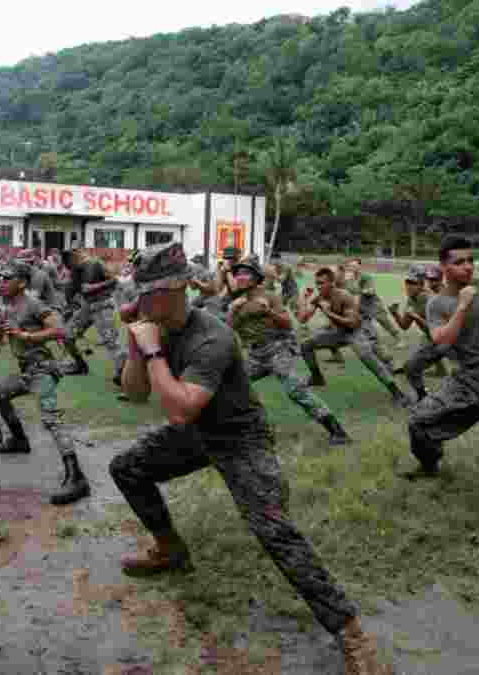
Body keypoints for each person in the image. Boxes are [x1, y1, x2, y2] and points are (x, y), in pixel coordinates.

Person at [108, 242, 383, 674]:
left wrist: (156, 352)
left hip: (240, 438)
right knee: (126, 467)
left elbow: (179, 407)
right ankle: (170, 549)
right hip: (197, 433)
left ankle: (350, 631)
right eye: (136, 292)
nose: (137, 301)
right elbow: (137, 392)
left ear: (177, 287)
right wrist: (137, 343)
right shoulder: (154, 323)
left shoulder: (211, 336)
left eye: (147, 291)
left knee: (274, 530)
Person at [404, 236, 479, 480]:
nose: (468, 266)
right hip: (469, 377)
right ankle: (429, 467)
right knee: (419, 423)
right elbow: (443, 341)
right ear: (443, 267)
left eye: (470, 260)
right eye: (459, 262)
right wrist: (462, 306)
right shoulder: (437, 304)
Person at [0, 260, 90, 505]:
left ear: (21, 282)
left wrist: (26, 335)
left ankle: (78, 478)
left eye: (7, 278)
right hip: (27, 372)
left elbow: (60, 331)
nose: (2, 282)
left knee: (51, 419)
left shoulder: (33, 303)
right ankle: (19, 440)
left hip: (43, 369)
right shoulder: (7, 306)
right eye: (0, 278)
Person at [227, 261, 351, 445]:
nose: (240, 277)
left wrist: (268, 312)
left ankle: (338, 432)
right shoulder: (237, 301)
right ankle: (259, 429)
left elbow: (287, 323)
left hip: (278, 349)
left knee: (296, 391)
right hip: (255, 354)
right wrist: (233, 310)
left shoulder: (269, 297)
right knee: (231, 387)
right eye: (238, 274)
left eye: (245, 273)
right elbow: (231, 328)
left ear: (255, 278)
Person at [297, 268, 412, 408]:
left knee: (367, 357)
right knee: (305, 345)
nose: (318, 286)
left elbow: (353, 323)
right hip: (337, 332)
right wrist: (303, 299)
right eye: (317, 283)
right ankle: (317, 377)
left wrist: (328, 312)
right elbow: (302, 319)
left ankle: (398, 393)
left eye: (321, 283)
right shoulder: (319, 298)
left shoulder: (344, 296)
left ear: (331, 283)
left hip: (355, 331)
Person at [62, 248, 126, 384]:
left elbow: (115, 282)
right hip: (86, 306)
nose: (69, 267)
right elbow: (72, 289)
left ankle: (124, 374)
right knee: (67, 335)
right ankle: (80, 365)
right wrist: (68, 308)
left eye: (70, 263)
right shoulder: (76, 270)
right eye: (68, 266)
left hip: (102, 305)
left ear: (75, 258)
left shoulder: (95, 264)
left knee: (111, 341)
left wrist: (97, 286)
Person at [387, 265, 450, 400]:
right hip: (433, 340)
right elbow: (404, 326)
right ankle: (423, 396)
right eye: (407, 282)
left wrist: (416, 317)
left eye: (413, 283)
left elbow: (439, 330)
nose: (408, 286)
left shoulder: (430, 299)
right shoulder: (412, 300)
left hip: (448, 340)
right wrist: (395, 314)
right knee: (411, 367)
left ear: (421, 284)